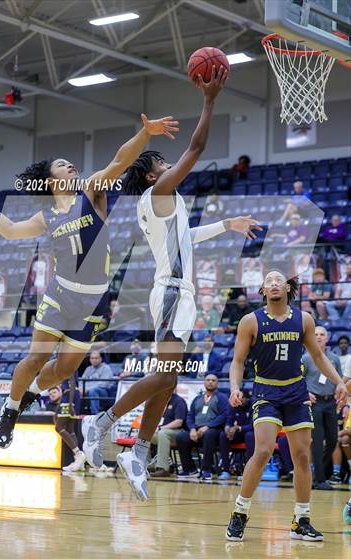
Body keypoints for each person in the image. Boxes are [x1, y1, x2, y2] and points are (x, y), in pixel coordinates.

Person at [81, 67, 261, 501]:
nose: (168, 164)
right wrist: (210, 99)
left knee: (169, 380)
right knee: (164, 373)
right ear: (150, 175)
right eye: (161, 162)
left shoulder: (166, 203)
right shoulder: (160, 192)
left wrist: (226, 224)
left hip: (181, 293)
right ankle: (102, 421)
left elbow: (188, 239)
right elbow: (197, 148)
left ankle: (138, 452)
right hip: (172, 292)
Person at [0, 113, 178, 449]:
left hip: (93, 300)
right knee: (35, 359)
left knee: (63, 370)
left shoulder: (92, 192)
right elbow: (10, 231)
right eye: (62, 164)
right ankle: (10, 410)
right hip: (60, 295)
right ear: (50, 179)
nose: (71, 165)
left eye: (70, 163)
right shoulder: (46, 216)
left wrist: (144, 134)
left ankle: (30, 393)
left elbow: (120, 160)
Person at [225, 269, 347, 542]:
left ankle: (301, 519)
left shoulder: (303, 319)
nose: (274, 283)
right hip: (266, 391)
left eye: (279, 279)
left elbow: (317, 355)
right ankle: (240, 512)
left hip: (296, 392)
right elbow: (237, 362)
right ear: (264, 291)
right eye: (269, 281)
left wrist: (339, 381)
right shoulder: (250, 321)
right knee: (264, 450)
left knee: (303, 457)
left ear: (288, 288)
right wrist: (234, 388)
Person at [302, 326, 342, 488]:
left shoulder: (334, 359)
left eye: (322, 334)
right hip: (315, 403)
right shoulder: (306, 358)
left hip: (330, 402)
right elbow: (298, 379)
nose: (318, 337)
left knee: (333, 440)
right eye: (316, 334)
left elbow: (339, 380)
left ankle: (318, 473)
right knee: (317, 441)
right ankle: (319, 479)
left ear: (327, 338)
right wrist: (305, 393)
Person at [176, 374, 228, 481]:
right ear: (204, 382)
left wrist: (208, 426)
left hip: (214, 431)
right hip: (196, 431)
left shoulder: (222, 398)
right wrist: (192, 429)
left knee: (209, 435)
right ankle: (190, 469)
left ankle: (206, 470)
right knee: (181, 437)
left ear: (217, 383)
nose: (210, 382)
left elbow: (223, 416)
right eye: (208, 380)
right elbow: (190, 416)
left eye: (213, 380)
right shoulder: (197, 398)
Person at [41, 383, 86, 472]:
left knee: (59, 428)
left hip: (69, 397)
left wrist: (69, 403)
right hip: (71, 396)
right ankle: (79, 462)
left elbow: (72, 381)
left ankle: (78, 454)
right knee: (70, 431)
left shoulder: (66, 374)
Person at [149, 387, 187, 477]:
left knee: (163, 433)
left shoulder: (179, 401)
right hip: (165, 432)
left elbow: (179, 422)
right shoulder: (162, 402)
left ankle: (163, 468)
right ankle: (147, 465)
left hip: (179, 432)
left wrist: (161, 428)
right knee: (145, 436)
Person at [218, 388, 254, 480]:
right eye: (238, 397)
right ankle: (225, 470)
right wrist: (227, 428)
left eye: (242, 398)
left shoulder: (254, 406)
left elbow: (254, 425)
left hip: (252, 433)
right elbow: (229, 419)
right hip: (238, 433)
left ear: (247, 398)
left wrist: (239, 428)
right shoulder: (234, 405)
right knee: (223, 435)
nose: (239, 400)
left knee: (249, 435)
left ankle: (249, 472)